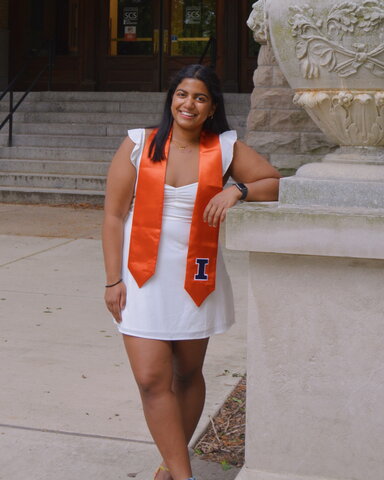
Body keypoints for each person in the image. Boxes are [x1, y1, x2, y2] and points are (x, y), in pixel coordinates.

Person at [102, 64, 280, 480]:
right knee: (150, 378)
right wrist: (113, 280)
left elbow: (274, 182)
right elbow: (112, 216)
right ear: (171, 99)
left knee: (187, 373)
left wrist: (237, 189)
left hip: (195, 277)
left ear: (211, 106)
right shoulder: (138, 144)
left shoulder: (224, 148)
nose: (189, 104)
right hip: (141, 277)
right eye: (182, 94)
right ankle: (185, 476)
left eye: (199, 97)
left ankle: (170, 465)